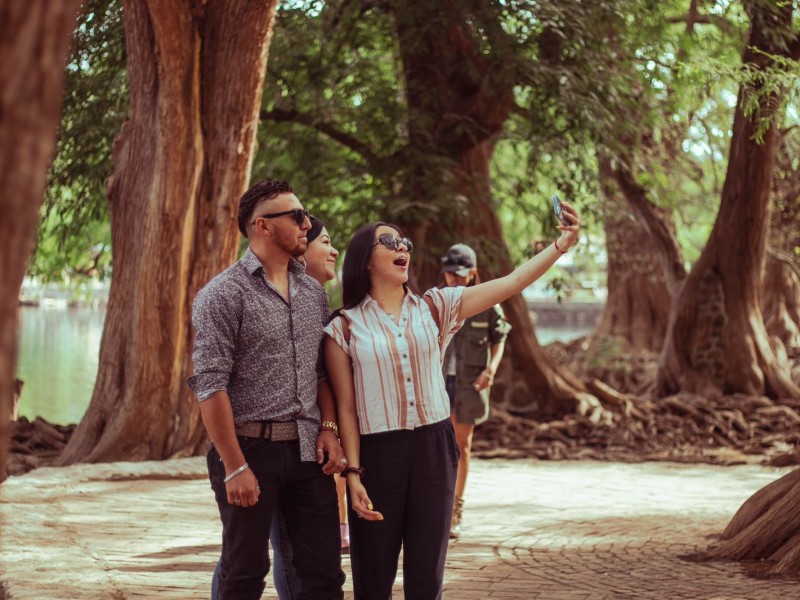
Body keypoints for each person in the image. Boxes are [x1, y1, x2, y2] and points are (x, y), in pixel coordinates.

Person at [323, 203, 580, 599]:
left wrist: (560, 246)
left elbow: (511, 283)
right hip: (378, 454)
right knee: (373, 580)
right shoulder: (343, 326)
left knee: (427, 578)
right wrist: (353, 474)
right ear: (365, 260)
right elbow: (346, 409)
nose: (402, 246)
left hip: (434, 448)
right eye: (389, 241)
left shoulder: (436, 306)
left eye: (403, 241)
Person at [188, 179, 346, 600]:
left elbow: (319, 374)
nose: (306, 224)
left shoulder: (314, 293)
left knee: (325, 575)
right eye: (296, 216)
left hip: (309, 453)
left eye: (306, 214)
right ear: (261, 226)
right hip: (248, 450)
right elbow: (210, 384)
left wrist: (329, 428)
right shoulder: (222, 294)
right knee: (245, 572)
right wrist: (235, 465)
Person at [439, 243, 510, 539]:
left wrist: (491, 369)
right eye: (450, 274)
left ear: (473, 274)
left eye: (460, 274)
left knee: (462, 445)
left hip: (470, 384)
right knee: (438, 447)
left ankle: (456, 508)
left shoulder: (488, 304)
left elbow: (500, 337)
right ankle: (437, 509)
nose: (454, 279)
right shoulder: (437, 302)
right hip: (439, 383)